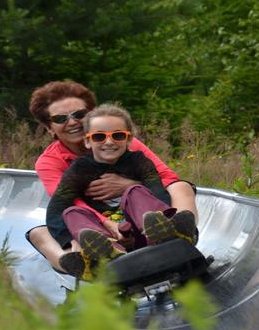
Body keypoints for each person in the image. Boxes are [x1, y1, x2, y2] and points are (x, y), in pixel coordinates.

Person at [26, 80, 198, 276]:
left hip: (142, 214)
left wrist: (131, 185)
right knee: (41, 232)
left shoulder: (120, 140)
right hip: (99, 225)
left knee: (181, 186)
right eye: (60, 118)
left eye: (79, 115)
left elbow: (167, 177)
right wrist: (110, 227)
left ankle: (179, 231)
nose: (72, 122)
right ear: (50, 128)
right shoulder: (50, 161)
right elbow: (67, 202)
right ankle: (84, 263)